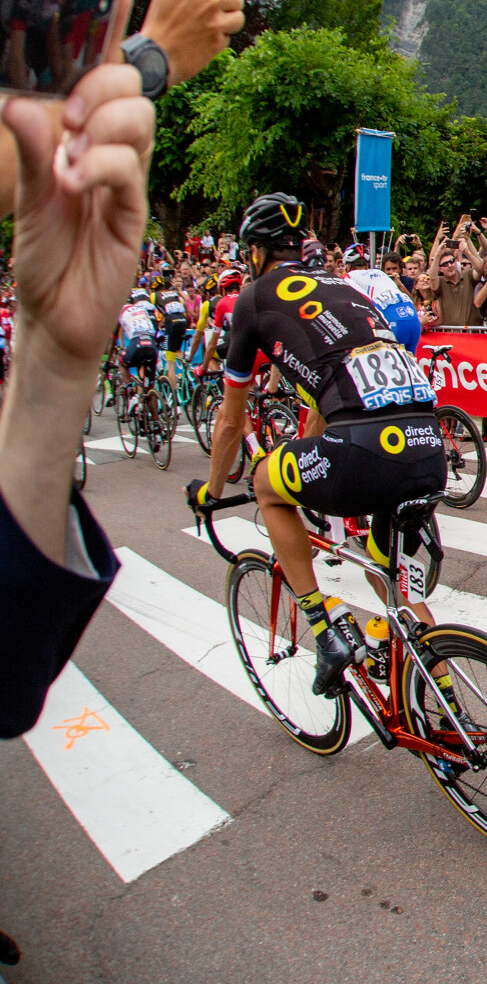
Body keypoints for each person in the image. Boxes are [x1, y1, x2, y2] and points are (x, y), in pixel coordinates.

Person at [191, 194, 447, 698]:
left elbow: (229, 420)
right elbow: (325, 400)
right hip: (428, 446)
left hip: (362, 453)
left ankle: (325, 629)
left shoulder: (256, 296)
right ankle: (452, 707)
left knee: (268, 486)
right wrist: (310, 451)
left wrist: (212, 491)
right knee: (386, 573)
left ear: (255, 252)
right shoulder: (344, 286)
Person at [2, 48, 159, 739]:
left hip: (127, 343)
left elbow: (9, 682)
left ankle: (141, 397)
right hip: (138, 342)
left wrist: (57, 360)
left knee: (137, 369)